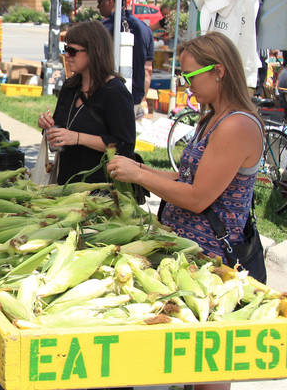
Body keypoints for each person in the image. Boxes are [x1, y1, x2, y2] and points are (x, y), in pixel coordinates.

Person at [107, 33, 264, 283]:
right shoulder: (210, 118)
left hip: (209, 264)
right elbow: (187, 178)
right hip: (184, 252)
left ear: (219, 71)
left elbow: (197, 198)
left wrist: (139, 175)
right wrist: (139, 168)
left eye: (189, 76)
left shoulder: (237, 127)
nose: (185, 84)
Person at [37, 21, 136, 185]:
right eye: (65, 49)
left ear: (94, 52)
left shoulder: (114, 92)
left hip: (100, 190)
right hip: (66, 186)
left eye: (72, 51)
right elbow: (59, 134)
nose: (66, 56)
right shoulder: (70, 87)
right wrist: (48, 127)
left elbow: (124, 146)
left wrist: (77, 138)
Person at [96, 0, 154, 118]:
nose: (98, 7)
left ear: (110, 0)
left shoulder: (102, 30)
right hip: (134, 98)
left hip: (107, 98)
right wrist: (141, 98)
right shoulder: (145, 30)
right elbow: (148, 70)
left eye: (100, 2)